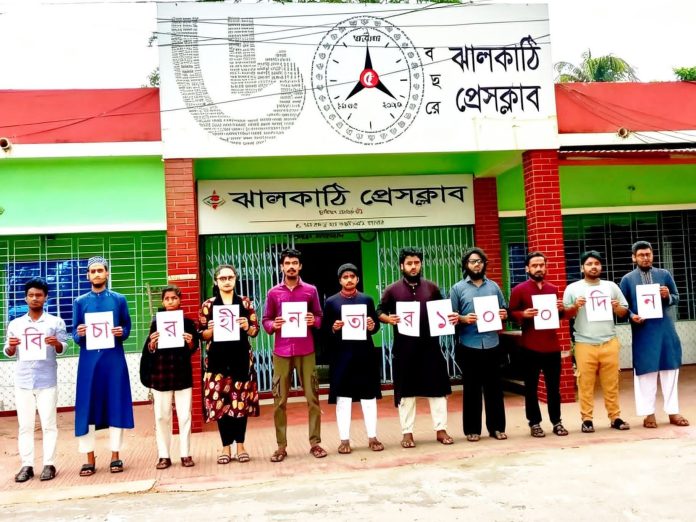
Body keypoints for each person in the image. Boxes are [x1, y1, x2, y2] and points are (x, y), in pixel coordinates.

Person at [377, 247, 457, 448]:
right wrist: (388, 319)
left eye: (417, 263)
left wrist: (450, 318)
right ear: (401, 266)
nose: (413, 267)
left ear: (421, 264)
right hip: (404, 348)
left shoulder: (432, 288)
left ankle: (441, 429)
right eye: (409, 263)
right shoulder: (392, 290)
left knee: (437, 389)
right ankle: (407, 433)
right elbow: (379, 311)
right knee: (406, 392)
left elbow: (441, 311)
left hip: (430, 347)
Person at [73, 256, 134, 476]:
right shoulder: (80, 302)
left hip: (113, 359)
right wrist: (79, 333)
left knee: (116, 402)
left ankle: (115, 455)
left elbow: (126, 327)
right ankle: (89, 458)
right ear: (87, 276)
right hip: (88, 362)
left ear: (107, 273)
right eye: (93, 271)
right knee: (86, 406)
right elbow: (74, 333)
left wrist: (121, 332)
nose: (97, 274)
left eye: (100, 270)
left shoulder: (119, 299)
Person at [262, 248, 325, 462]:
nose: (291, 267)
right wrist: (273, 325)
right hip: (282, 351)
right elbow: (266, 320)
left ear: (300, 266)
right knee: (279, 400)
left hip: (306, 350)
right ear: (281, 266)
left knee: (312, 398)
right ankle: (281, 446)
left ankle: (315, 443)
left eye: (294, 263)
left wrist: (314, 321)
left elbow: (319, 316)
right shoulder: (273, 293)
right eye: (287, 263)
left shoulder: (310, 290)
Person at [619, 241, 689, 429]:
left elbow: (676, 297)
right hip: (643, 331)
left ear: (652, 255)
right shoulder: (627, 279)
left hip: (665, 329)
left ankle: (673, 412)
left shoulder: (664, 275)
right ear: (634, 258)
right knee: (645, 373)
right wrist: (632, 316)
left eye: (648, 254)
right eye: (641, 255)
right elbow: (623, 307)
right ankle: (648, 414)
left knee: (670, 370)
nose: (645, 258)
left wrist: (668, 296)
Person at [4, 277, 68, 483]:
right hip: (23, 380)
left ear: (45, 297)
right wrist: (11, 346)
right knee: (25, 425)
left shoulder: (55, 322)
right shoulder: (16, 324)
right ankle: (27, 465)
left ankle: (49, 464)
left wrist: (56, 343)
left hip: (47, 380)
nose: (34, 298)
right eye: (31, 295)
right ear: (25, 298)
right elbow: (8, 350)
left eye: (38, 295)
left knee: (49, 424)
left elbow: (63, 347)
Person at [563, 250, 630, 433]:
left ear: (601, 266)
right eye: (589, 264)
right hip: (584, 343)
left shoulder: (611, 287)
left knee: (611, 383)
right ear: (582, 268)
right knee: (585, 383)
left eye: (597, 264)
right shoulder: (573, 288)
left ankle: (615, 417)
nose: (593, 267)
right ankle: (587, 419)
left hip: (609, 341)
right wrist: (575, 306)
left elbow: (624, 312)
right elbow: (565, 315)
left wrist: (616, 307)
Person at [200, 264, 260, 464]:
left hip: (240, 359)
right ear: (216, 281)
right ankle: (225, 447)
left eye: (230, 277)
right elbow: (202, 334)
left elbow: (255, 330)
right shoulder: (209, 305)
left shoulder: (245, 302)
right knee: (221, 405)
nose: (226, 281)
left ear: (235, 279)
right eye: (222, 278)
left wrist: (247, 326)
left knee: (239, 404)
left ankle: (241, 446)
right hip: (217, 362)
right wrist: (210, 331)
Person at [324, 263, 384, 454]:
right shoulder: (331, 302)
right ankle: (344, 440)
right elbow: (325, 330)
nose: (349, 280)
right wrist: (334, 328)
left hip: (365, 354)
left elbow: (375, 327)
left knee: (369, 397)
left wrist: (372, 325)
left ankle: (373, 437)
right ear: (340, 280)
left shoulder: (367, 299)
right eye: (345, 277)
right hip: (341, 355)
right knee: (343, 398)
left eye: (352, 276)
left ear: (357, 279)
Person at [450, 247, 508, 442]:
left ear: (484, 264)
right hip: (469, 345)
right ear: (466, 265)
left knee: (494, 389)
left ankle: (497, 428)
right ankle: (472, 430)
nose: (476, 265)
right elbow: (451, 316)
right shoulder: (457, 288)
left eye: (480, 261)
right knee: (472, 390)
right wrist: (463, 318)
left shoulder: (494, 287)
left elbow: (503, 309)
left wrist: (503, 314)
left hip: (492, 344)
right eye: (472, 261)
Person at [509, 252, 568, 438]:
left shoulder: (553, 288)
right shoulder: (519, 289)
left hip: (552, 346)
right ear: (527, 268)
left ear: (546, 266)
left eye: (541, 265)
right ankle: (534, 423)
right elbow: (511, 313)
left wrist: (561, 309)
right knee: (531, 388)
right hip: (530, 346)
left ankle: (557, 421)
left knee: (554, 388)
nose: (539, 268)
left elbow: (559, 316)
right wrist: (523, 314)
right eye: (534, 265)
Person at [140, 285, 199, 469]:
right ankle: (164, 455)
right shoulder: (156, 322)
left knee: (185, 416)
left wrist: (190, 342)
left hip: (182, 373)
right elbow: (150, 349)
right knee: (161, 417)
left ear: (179, 300)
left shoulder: (188, 323)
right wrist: (152, 343)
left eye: (174, 298)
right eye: (167, 299)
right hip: (161, 374)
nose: (171, 301)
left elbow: (194, 348)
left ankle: (185, 454)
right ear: (163, 302)